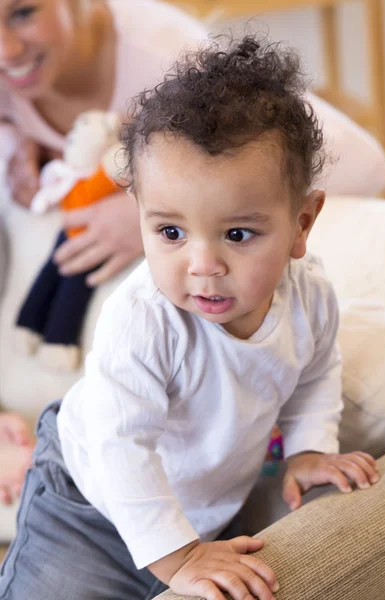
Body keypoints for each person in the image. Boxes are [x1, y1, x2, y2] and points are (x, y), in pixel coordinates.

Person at [0, 36, 379, 599]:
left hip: (198, 508)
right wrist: (180, 558)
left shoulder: (311, 299)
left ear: (302, 222)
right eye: (171, 232)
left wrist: (307, 449)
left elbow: (316, 373)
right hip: (86, 502)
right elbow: (120, 445)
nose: (203, 267)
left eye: (237, 234)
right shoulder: (144, 320)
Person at [0, 0, 207, 504]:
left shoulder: (165, 53)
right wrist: (15, 145)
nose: (5, 48)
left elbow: (366, 166)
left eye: (23, 12)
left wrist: (155, 216)